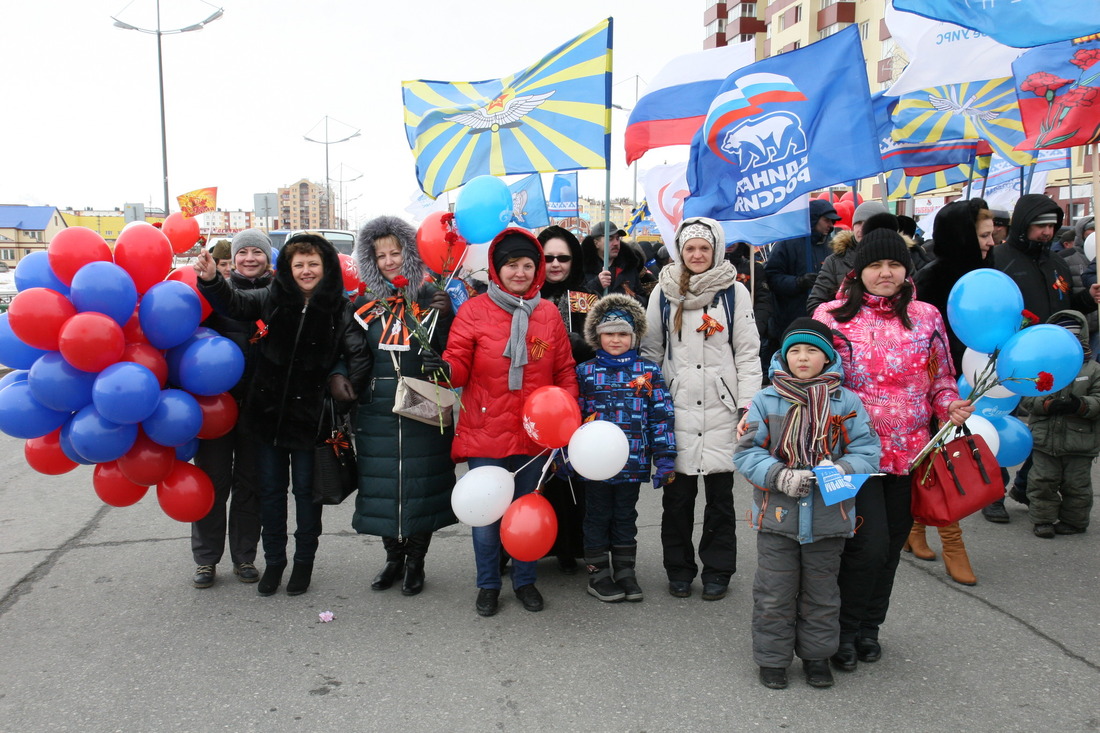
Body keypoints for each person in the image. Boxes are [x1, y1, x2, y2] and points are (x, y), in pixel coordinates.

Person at [812, 228, 972, 672]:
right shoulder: (831, 316)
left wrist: (949, 404)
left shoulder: (925, 316)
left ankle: (869, 628)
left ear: (906, 269)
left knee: (890, 546)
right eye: (876, 265)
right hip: (850, 454)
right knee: (866, 545)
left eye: (894, 265)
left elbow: (940, 377)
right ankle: (841, 630)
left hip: (912, 455)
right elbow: (813, 379)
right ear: (859, 270)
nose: (886, 273)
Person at [195, 232, 370, 597]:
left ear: (326, 268)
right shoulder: (273, 298)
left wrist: (337, 402)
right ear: (288, 269)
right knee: (272, 493)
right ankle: (275, 561)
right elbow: (235, 303)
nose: (306, 271)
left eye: (313, 264)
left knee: (307, 495)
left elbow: (358, 359)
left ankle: (304, 562)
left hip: (311, 421)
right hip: (268, 417)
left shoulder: (340, 307)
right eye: (299, 264)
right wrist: (211, 279)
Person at [431, 227, 579, 617]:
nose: (520, 272)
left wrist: (567, 413)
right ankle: (489, 584)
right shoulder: (475, 311)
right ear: (497, 269)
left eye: (528, 265)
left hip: (535, 436)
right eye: (512, 264)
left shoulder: (546, 313)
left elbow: (564, 370)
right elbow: (459, 365)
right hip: (487, 431)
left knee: (527, 510)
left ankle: (526, 581)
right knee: (487, 516)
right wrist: (444, 368)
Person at [734, 318, 881, 690]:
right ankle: (772, 660)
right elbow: (747, 451)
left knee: (822, 594)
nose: (802, 357)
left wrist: (841, 467)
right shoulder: (766, 400)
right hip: (777, 518)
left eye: (812, 350)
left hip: (829, 520)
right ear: (783, 357)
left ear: (827, 357)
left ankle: (816, 658)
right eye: (795, 350)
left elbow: (867, 452)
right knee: (773, 593)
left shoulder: (845, 401)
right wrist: (779, 475)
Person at [640, 216, 761, 601]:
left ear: (716, 250)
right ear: (679, 250)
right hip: (676, 410)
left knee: (721, 500)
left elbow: (747, 353)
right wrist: (652, 402)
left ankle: (718, 570)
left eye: (703, 248)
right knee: (677, 500)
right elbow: (651, 351)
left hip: (723, 409)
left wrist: (747, 405)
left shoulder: (733, 292)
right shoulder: (662, 291)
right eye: (689, 248)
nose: (696, 254)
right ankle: (678, 569)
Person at [349, 216, 457, 596]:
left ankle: (416, 562)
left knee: (420, 485)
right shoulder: (363, 304)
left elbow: (452, 354)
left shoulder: (432, 297)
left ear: (411, 254)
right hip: (376, 410)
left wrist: (445, 318)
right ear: (371, 260)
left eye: (397, 252)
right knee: (381, 488)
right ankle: (393, 558)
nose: (390, 261)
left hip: (423, 405)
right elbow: (352, 355)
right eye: (381, 255)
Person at [985, 194, 1097, 522]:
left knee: (1045, 427)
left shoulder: (1056, 262)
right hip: (1005, 359)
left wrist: (1087, 300)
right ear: (1023, 225)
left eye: (1052, 225)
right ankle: (993, 492)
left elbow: (1064, 309)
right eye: (1039, 226)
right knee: (998, 428)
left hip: (1051, 362)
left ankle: (1023, 484)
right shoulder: (998, 259)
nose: (1047, 232)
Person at [908, 199, 996, 585]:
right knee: (939, 461)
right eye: (984, 234)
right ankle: (953, 543)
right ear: (963, 236)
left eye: (993, 234)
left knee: (937, 461)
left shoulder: (988, 273)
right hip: (936, 387)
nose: (992, 241)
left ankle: (914, 528)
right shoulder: (932, 278)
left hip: (974, 382)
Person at [575, 294, 676, 603]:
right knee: (597, 515)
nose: (616, 339)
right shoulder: (585, 372)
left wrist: (665, 457)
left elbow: (661, 415)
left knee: (624, 516)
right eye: (609, 333)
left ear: (634, 337)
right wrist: (568, 456)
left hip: (633, 462)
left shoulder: (648, 371)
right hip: (593, 464)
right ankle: (598, 573)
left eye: (623, 334)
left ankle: (625, 570)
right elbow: (573, 417)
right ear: (597, 336)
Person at [190, 228, 273, 589]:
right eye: (243, 252)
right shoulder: (214, 300)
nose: (250, 258)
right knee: (211, 484)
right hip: (215, 409)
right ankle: (206, 560)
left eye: (258, 252)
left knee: (250, 485)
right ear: (233, 258)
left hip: (259, 410)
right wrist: (209, 281)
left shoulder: (278, 297)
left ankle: (244, 557)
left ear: (269, 259)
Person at [537, 225, 597, 573]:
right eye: (548, 258)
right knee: (535, 475)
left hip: (577, 396)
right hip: (535, 397)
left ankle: (571, 545)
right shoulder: (526, 294)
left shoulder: (586, 294)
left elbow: (601, 343)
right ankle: (532, 542)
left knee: (573, 475)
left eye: (564, 257)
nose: (556, 264)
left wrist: (581, 344)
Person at [1020, 310, 1100, 538]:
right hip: (1045, 439)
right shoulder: (1042, 367)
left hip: (1081, 440)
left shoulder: (1093, 370)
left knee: (1077, 485)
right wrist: (1046, 405)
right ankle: (1043, 520)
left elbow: (1099, 399)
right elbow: (1027, 397)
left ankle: (1074, 521)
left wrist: (1080, 405)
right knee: (1042, 481)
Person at [765, 199, 840, 338]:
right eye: (827, 220)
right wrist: (798, 282)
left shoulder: (832, 247)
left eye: (832, 221)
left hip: (821, 319)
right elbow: (771, 278)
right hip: (789, 321)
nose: (831, 225)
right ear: (813, 218)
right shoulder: (788, 243)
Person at [808, 202, 891, 315]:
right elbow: (815, 304)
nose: (861, 229)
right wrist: (845, 323)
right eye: (858, 223)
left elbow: (911, 301)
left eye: (867, 223)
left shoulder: (900, 259)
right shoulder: (834, 261)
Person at [725, 241, 774, 381]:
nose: (730, 243)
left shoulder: (753, 268)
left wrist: (756, 329)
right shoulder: (710, 268)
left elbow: (763, 301)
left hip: (747, 331)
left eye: (734, 240)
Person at [580, 221, 649, 303]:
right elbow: (576, 301)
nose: (616, 243)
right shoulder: (582, 268)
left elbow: (643, 299)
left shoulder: (629, 266)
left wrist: (633, 299)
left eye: (617, 238)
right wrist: (597, 284)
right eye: (610, 239)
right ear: (596, 243)